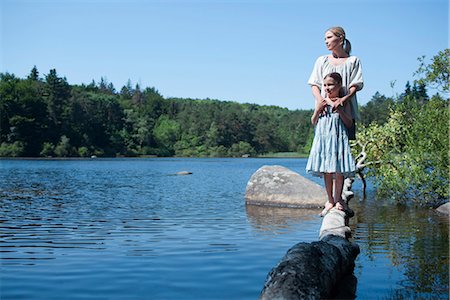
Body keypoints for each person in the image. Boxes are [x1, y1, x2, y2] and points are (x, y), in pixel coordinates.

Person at [306, 72, 356, 216]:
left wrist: (339, 109)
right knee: (327, 170)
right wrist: (317, 110)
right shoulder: (321, 101)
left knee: (338, 170)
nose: (327, 88)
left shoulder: (343, 102)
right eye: (325, 85)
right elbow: (313, 121)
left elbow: (349, 122)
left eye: (330, 85)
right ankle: (330, 200)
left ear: (339, 85)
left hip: (338, 138)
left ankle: (338, 198)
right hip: (324, 138)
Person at [308, 26, 364, 140]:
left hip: (346, 111)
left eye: (329, 37)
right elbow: (314, 84)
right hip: (325, 113)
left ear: (340, 39)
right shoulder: (321, 60)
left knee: (346, 149)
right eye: (325, 39)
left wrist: (343, 100)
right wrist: (321, 101)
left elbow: (355, 84)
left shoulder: (353, 61)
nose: (326, 41)